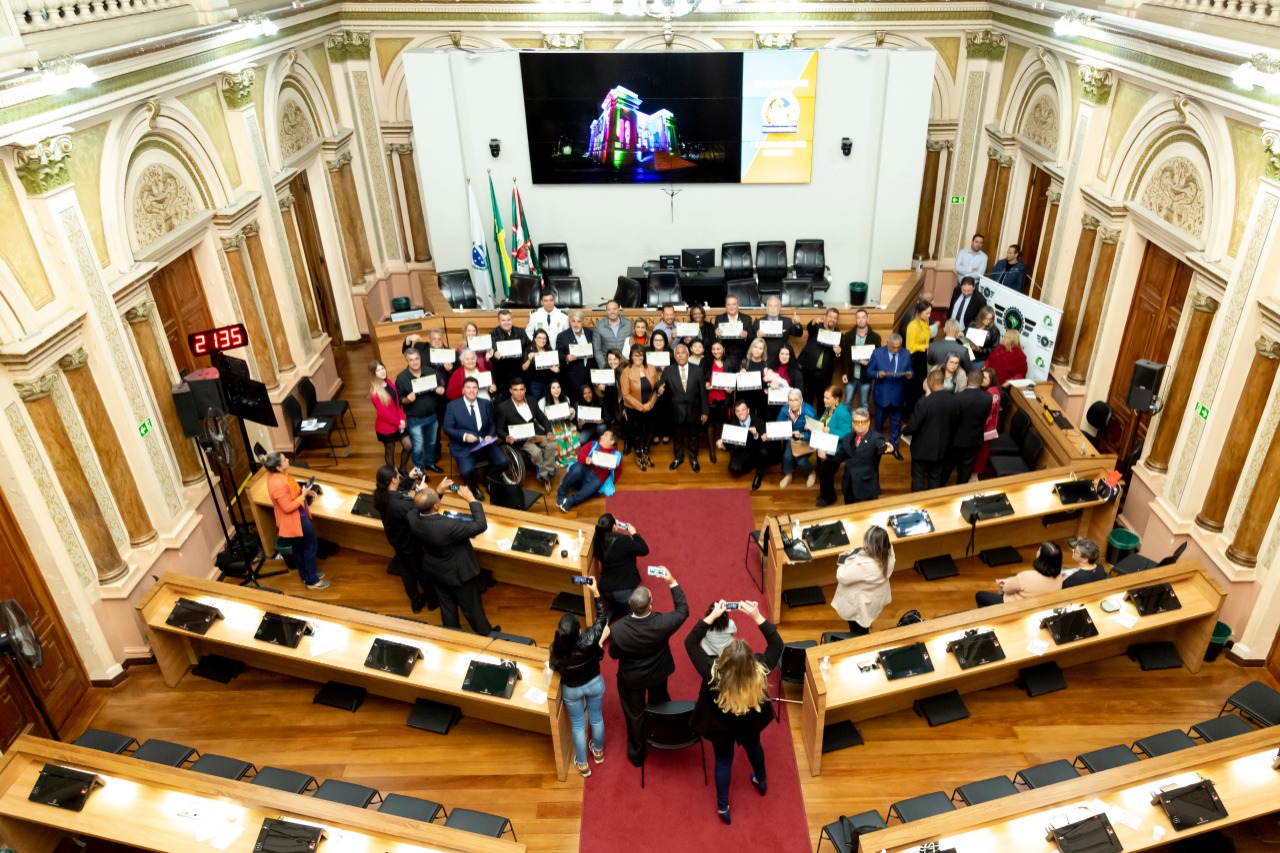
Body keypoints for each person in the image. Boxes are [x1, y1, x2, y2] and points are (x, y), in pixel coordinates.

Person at [684, 598, 782, 825]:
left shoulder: (712, 671)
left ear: (723, 659)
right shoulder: (760, 669)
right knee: (754, 746)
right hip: (749, 723)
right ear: (751, 660)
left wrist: (711, 617)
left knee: (723, 760)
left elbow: (690, 643)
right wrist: (758, 617)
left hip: (720, 726)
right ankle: (761, 779)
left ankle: (723, 807)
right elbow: (776, 645)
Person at [609, 566, 688, 767]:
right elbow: (683, 610)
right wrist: (672, 582)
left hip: (631, 680)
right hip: (658, 674)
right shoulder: (663, 623)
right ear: (651, 606)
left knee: (635, 716)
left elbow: (613, 654)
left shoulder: (617, 630)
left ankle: (637, 755)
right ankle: (664, 735)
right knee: (660, 704)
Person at [408, 484, 498, 634]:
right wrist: (471, 500)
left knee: (447, 608)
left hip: (435, 570)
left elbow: (422, 507)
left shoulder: (412, 517)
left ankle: (453, 636)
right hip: (458, 574)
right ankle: (487, 635)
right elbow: (480, 524)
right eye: (437, 497)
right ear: (436, 506)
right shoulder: (447, 526)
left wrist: (438, 492)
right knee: (472, 608)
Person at [549, 584, 610, 777]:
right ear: (579, 631)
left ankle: (583, 764)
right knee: (596, 718)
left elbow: (554, 667)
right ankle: (598, 752)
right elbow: (602, 619)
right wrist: (596, 593)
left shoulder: (555, 649)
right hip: (594, 683)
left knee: (578, 726)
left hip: (572, 690)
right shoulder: (591, 638)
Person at [373, 465, 436, 612]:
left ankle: (415, 602)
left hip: (395, 539)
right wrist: (422, 493)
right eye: (397, 475)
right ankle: (433, 602)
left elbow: (396, 492)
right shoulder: (400, 505)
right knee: (421, 570)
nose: (399, 476)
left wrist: (409, 479)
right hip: (410, 542)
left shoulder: (379, 495)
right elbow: (418, 509)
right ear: (393, 480)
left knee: (406, 570)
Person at [264, 451, 328, 590]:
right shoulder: (278, 484)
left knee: (299, 547)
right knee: (311, 545)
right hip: (294, 519)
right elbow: (287, 507)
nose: (287, 459)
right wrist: (302, 496)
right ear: (279, 467)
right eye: (284, 459)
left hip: (295, 516)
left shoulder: (276, 475)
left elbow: (291, 489)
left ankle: (306, 576)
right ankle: (312, 581)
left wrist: (304, 492)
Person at [441, 377, 510, 500]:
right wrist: (464, 436)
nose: (472, 391)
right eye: (468, 388)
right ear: (462, 390)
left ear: (478, 390)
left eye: (474, 388)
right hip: (464, 446)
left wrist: (490, 434)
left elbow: (492, 424)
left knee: (504, 462)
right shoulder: (452, 406)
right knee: (466, 472)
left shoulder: (486, 403)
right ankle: (473, 486)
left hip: (485, 443)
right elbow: (447, 429)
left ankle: (489, 479)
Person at [496, 376, 558, 489]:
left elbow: (543, 419)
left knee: (552, 444)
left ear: (525, 390)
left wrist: (549, 431)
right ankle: (544, 475)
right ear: (510, 391)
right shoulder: (503, 407)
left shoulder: (531, 400)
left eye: (521, 389)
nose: (519, 393)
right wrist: (507, 437)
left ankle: (549, 470)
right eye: (515, 390)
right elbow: (499, 429)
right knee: (536, 452)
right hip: (519, 437)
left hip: (534, 433)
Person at [831, 526, 894, 635]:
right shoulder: (889, 554)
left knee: (858, 629)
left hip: (860, 603)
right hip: (875, 597)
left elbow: (842, 576)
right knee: (866, 619)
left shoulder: (864, 565)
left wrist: (845, 558)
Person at [903, 369, 956, 492]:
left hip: (921, 449)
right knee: (935, 477)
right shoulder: (954, 401)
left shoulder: (924, 402)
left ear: (930, 382)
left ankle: (917, 505)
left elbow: (913, 426)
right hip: (942, 448)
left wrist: (905, 429)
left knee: (918, 478)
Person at [396, 347, 445, 474]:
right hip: (415, 419)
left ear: (420, 358)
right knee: (417, 447)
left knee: (431, 443)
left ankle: (429, 463)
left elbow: (441, 382)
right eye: (411, 360)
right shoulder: (401, 378)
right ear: (406, 360)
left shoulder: (431, 372)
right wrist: (407, 399)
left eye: (417, 359)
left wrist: (441, 388)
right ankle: (419, 471)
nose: (415, 362)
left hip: (432, 416)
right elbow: (399, 399)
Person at [660, 343, 709, 472]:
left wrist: (705, 412)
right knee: (677, 436)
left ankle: (693, 458)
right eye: (677, 353)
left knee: (694, 436)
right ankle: (678, 457)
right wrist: (659, 388)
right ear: (674, 356)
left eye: (683, 353)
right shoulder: (669, 370)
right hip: (676, 410)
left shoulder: (698, 370)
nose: (680, 355)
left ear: (688, 354)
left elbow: (703, 393)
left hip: (694, 409)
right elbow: (660, 384)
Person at [946, 369, 995, 486]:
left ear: (968, 379)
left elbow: (951, 419)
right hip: (974, 440)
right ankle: (960, 495)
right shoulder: (988, 398)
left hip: (955, 440)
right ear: (980, 381)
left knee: (946, 468)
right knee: (965, 471)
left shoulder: (957, 397)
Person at [976, 542, 1064, 606]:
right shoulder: (1060, 576)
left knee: (980, 595)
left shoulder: (1026, 576)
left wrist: (1005, 583)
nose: (1037, 551)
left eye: (1039, 550)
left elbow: (1007, 589)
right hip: (1037, 605)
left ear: (1042, 559)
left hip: (1014, 607)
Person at [593, 513, 647, 618]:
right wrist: (634, 533)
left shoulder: (598, 540)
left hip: (606, 592)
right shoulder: (624, 540)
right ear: (614, 527)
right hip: (624, 594)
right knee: (637, 609)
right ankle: (625, 612)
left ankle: (611, 613)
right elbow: (644, 549)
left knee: (619, 605)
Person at [835, 407, 890, 504]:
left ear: (868, 422)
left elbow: (880, 446)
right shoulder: (848, 438)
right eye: (857, 422)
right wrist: (825, 456)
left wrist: (886, 448)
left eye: (863, 422)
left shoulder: (876, 437)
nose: (860, 425)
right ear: (852, 424)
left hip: (866, 489)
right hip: (849, 486)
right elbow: (840, 456)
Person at [557, 429, 623, 512]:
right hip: (584, 470)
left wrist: (613, 467)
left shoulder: (617, 454)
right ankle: (561, 493)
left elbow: (617, 471)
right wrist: (586, 459)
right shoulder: (593, 444)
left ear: (612, 441)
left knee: (596, 483)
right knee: (577, 469)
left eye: (605, 435)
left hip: (596, 477)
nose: (601, 436)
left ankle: (571, 501)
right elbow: (581, 455)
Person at [620, 345, 662, 471]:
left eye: (640, 355)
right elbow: (625, 394)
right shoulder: (626, 372)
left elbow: (656, 389)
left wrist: (650, 404)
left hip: (650, 406)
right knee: (636, 433)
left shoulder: (652, 369)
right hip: (633, 408)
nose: (638, 357)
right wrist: (641, 407)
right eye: (635, 355)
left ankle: (645, 452)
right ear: (631, 357)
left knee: (650, 431)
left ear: (644, 356)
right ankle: (638, 455)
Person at [867, 335, 911, 450]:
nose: (896, 350)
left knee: (896, 424)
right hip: (882, 396)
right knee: (879, 424)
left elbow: (911, 369)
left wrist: (910, 374)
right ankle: (878, 446)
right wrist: (877, 374)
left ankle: (894, 447)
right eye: (893, 347)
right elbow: (869, 372)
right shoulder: (877, 353)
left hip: (898, 396)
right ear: (887, 343)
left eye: (898, 347)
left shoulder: (906, 353)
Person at [813, 385, 854, 508]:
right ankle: (824, 494)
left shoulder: (843, 413)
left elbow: (847, 433)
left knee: (827, 473)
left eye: (827, 398)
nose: (824, 400)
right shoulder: (829, 409)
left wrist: (830, 431)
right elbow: (823, 423)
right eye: (824, 397)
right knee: (822, 471)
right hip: (824, 444)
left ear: (836, 399)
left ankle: (829, 497)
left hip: (835, 449)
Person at [369, 359, 412, 472]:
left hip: (398, 423)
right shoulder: (374, 392)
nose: (382, 371)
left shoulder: (389, 382)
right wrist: (399, 423)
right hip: (386, 428)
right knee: (389, 451)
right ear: (374, 374)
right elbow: (384, 414)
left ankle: (402, 469)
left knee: (408, 446)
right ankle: (393, 475)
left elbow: (397, 403)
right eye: (378, 370)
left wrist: (402, 419)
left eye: (383, 368)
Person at [797, 307, 843, 410]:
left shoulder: (839, 334)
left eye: (835, 318)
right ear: (825, 317)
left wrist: (838, 352)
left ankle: (820, 424)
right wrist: (814, 321)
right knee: (807, 398)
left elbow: (840, 354)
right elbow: (810, 327)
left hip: (824, 374)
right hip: (808, 370)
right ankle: (805, 423)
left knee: (823, 401)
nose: (832, 319)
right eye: (830, 316)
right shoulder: (817, 327)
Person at [718, 398, 769, 490]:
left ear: (748, 410)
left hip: (758, 448)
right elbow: (729, 445)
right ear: (735, 413)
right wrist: (723, 447)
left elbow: (764, 442)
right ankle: (750, 465)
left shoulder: (758, 421)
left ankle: (759, 475)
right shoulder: (733, 423)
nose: (740, 413)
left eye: (743, 410)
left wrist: (756, 435)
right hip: (744, 450)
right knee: (733, 469)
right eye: (737, 411)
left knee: (764, 452)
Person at [841, 309, 881, 411]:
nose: (861, 320)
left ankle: (863, 427)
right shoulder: (848, 335)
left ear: (867, 319)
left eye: (863, 317)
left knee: (864, 404)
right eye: (858, 317)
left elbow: (878, 357)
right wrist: (844, 373)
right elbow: (845, 356)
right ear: (855, 319)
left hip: (866, 376)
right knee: (847, 403)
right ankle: (846, 426)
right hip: (851, 375)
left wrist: (869, 363)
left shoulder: (876, 337)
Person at [778, 388, 817, 489]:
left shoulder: (810, 412)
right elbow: (778, 426)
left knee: (801, 462)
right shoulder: (784, 410)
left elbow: (817, 433)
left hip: (807, 440)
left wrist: (803, 435)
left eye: (795, 400)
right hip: (792, 439)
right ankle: (788, 474)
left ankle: (811, 473)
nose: (792, 403)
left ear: (801, 400)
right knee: (787, 457)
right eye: (790, 400)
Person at [540, 380, 580, 470]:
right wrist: (546, 418)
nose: (556, 390)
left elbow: (570, 418)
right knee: (559, 437)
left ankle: (572, 456)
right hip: (552, 426)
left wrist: (572, 412)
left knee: (573, 434)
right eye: (553, 388)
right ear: (549, 389)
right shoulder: (542, 402)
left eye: (558, 387)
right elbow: (540, 421)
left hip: (565, 424)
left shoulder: (565, 398)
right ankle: (562, 458)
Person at [751, 295, 802, 363]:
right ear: (766, 308)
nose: (773, 309)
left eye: (775, 306)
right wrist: (757, 335)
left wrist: (797, 324)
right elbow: (751, 340)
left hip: (781, 357)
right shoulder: (758, 322)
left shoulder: (787, 321)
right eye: (770, 306)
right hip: (765, 357)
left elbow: (798, 334)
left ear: (779, 308)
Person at [705, 340, 733, 464]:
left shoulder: (729, 363)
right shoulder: (707, 362)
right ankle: (712, 450)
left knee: (723, 423)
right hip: (711, 397)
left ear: (723, 350)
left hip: (724, 399)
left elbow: (733, 383)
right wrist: (706, 385)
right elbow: (703, 379)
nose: (716, 351)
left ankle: (722, 443)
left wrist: (730, 389)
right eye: (714, 349)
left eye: (719, 349)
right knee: (711, 425)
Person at [490, 309, 529, 397]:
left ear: (512, 320)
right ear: (499, 321)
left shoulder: (520, 332)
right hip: (502, 374)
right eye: (503, 320)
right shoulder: (493, 334)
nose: (506, 323)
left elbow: (528, 347)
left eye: (508, 320)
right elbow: (491, 350)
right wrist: (494, 353)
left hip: (519, 371)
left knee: (521, 396)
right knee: (505, 400)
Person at [556, 311, 594, 402]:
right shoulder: (562, 336)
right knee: (574, 404)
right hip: (572, 379)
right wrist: (566, 357)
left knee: (589, 403)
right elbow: (558, 353)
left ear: (583, 322)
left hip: (589, 376)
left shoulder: (590, 333)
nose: (576, 324)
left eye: (578, 321)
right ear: (570, 322)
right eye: (573, 321)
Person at [904, 300, 933, 417]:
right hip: (914, 359)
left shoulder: (924, 322)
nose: (929, 316)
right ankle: (908, 413)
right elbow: (910, 347)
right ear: (920, 312)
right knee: (913, 388)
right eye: (927, 313)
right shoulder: (912, 326)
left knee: (919, 387)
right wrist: (924, 346)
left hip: (922, 358)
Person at [972, 367, 1002, 479]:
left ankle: (975, 475)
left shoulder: (992, 394)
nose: (982, 380)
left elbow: (988, 413)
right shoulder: (988, 390)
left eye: (985, 378)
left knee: (981, 453)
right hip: (983, 429)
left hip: (985, 429)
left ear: (991, 380)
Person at [522, 328, 559, 404]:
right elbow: (523, 368)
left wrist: (555, 369)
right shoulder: (529, 349)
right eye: (539, 338)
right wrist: (529, 359)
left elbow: (557, 369)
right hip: (535, 384)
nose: (542, 340)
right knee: (535, 403)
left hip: (548, 383)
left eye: (544, 338)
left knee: (547, 403)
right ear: (535, 339)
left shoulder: (549, 350)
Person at [714, 294, 752, 363]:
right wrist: (716, 334)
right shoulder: (719, 319)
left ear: (738, 305)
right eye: (729, 304)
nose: (731, 307)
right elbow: (715, 340)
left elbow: (752, 338)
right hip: (725, 356)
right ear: (726, 306)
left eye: (734, 304)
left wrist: (746, 335)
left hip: (742, 356)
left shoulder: (747, 319)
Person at [594, 301, 634, 367]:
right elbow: (597, 350)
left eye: (614, 309)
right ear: (606, 311)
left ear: (618, 310)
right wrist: (604, 367)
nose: (612, 312)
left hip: (625, 365)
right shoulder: (599, 326)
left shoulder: (629, 324)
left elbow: (633, 344)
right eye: (609, 309)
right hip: (608, 365)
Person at [736, 337, 769, 416]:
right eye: (755, 347)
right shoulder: (744, 362)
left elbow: (768, 383)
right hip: (747, 398)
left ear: (763, 351)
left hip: (761, 399)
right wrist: (741, 375)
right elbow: (739, 384)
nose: (757, 350)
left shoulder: (766, 364)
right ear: (752, 348)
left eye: (760, 348)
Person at [963, 306, 999, 371]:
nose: (988, 321)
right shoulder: (972, 324)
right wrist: (961, 334)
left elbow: (994, 350)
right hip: (967, 357)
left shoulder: (994, 331)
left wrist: (979, 350)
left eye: (990, 319)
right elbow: (964, 336)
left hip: (980, 361)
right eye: (986, 318)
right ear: (981, 317)